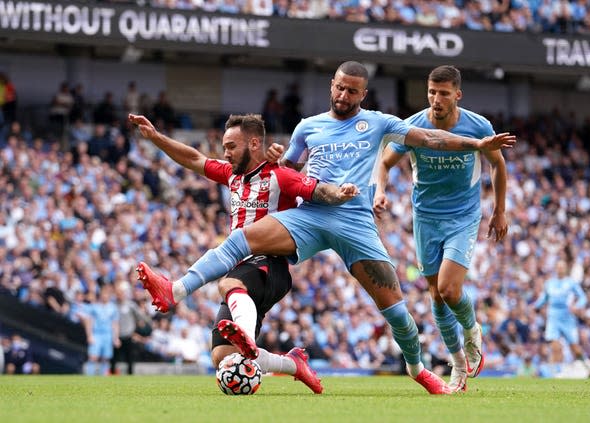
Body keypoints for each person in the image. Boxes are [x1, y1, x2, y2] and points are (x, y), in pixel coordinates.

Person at [137, 61, 515, 395]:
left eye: (351, 90)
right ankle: (176, 289)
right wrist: (276, 157)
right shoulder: (308, 126)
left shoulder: (379, 122)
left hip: (355, 222)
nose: (343, 94)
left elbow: (430, 137)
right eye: (338, 86)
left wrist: (476, 143)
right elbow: (287, 170)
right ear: (331, 86)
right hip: (310, 215)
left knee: (397, 312)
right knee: (240, 239)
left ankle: (418, 370)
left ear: (362, 94)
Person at [130, 112, 359, 393]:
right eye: (225, 147)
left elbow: (315, 190)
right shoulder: (232, 176)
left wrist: (340, 193)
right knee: (222, 355)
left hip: (270, 264)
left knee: (228, 284)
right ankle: (293, 365)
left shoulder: (280, 176)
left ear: (253, 144)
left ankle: (177, 292)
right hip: (241, 268)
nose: (225, 153)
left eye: (231, 147)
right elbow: (193, 159)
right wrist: (156, 138)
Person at [374, 65, 508, 392]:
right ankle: (458, 364)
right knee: (435, 296)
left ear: (457, 95)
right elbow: (386, 162)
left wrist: (499, 210)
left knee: (449, 289)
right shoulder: (414, 126)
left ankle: (472, 330)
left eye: (444, 93)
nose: (436, 98)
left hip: (463, 216)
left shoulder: (478, 126)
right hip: (425, 217)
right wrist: (380, 189)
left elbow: (498, 165)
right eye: (432, 92)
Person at [533, 259, 590, 375]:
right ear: (556, 268)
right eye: (558, 267)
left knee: (574, 347)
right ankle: (553, 374)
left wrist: (577, 306)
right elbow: (544, 298)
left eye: (562, 267)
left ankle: (588, 367)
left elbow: (582, 297)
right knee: (555, 347)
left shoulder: (571, 283)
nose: (560, 269)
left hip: (567, 317)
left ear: (566, 269)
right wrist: (536, 306)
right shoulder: (549, 283)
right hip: (553, 317)